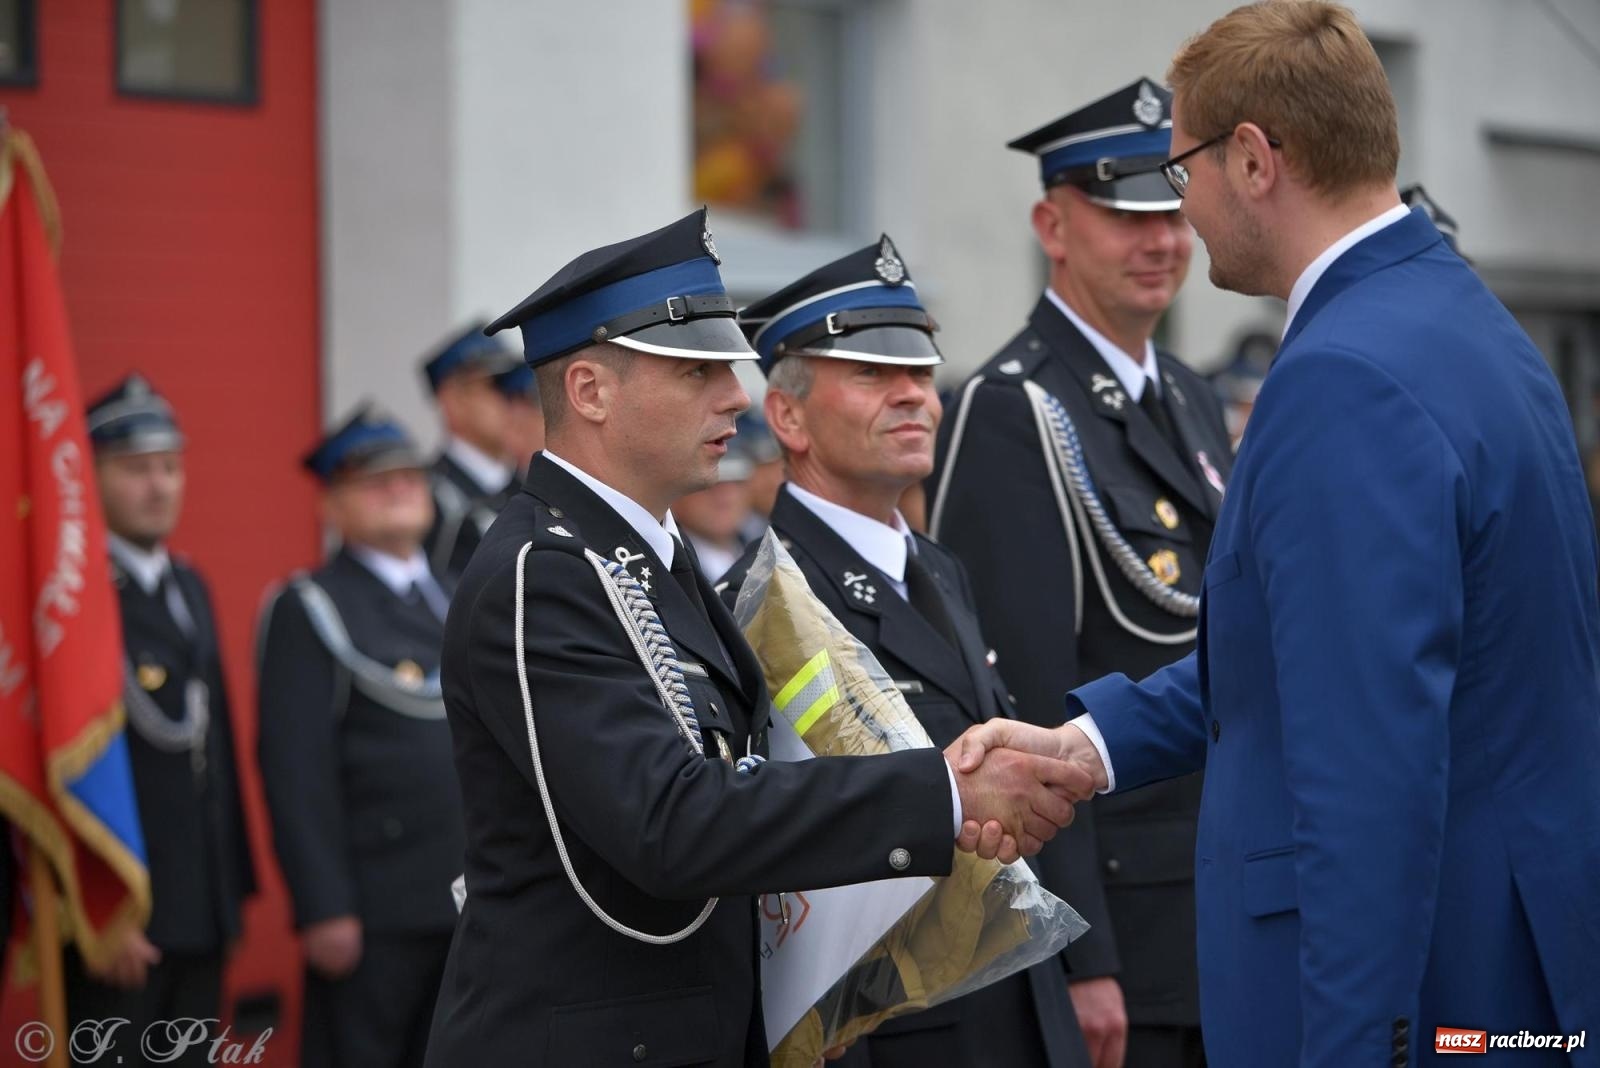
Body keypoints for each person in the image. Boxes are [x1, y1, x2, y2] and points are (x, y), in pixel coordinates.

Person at [955, 4, 1600, 1066]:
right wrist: (1091, 746)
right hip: (1501, 972)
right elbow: (1309, 658)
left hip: (1431, 992)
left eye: (1182, 170)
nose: (1179, 208)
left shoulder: (1343, 376)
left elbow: (1366, 784)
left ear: (1253, 160)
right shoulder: (1459, 321)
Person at [421, 209, 1093, 1067]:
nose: (736, 396)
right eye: (697, 369)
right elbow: (670, 822)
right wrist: (945, 794)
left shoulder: (647, 557)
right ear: (589, 391)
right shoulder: (542, 572)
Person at [722, 236, 1088, 1068]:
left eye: (921, 374)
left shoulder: (936, 567)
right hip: (894, 1028)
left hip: (1012, 999)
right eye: (872, 375)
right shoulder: (767, 599)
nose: (913, 397)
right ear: (787, 416)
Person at [929, 77, 1231, 1068]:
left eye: (1172, 214)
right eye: (1125, 217)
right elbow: (1016, 692)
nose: (1161, 241)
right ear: (1052, 226)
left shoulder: (1186, 392)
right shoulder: (1013, 407)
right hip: (1124, 926)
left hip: (1218, 895)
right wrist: (1079, 950)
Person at [257, 406, 465, 1068]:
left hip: (469, 900)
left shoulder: (458, 595)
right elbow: (296, 771)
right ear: (331, 506)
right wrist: (324, 907)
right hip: (376, 911)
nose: (399, 489)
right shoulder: (311, 605)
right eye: (376, 482)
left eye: (409, 477)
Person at [79, 374, 256, 1065]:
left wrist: (228, 895)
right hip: (127, 916)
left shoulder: (188, 583)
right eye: (135, 469)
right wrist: (98, 909)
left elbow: (216, 749)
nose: (158, 487)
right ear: (90, 475)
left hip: (200, 905)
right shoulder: (77, 598)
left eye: (169, 468)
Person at [418, 322, 524, 578]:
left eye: (517, 388)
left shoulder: (532, 486)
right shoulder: (426, 498)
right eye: (496, 386)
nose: (512, 400)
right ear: (452, 401)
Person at [675, 450, 754, 582]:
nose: (725, 496)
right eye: (707, 484)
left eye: (737, 482)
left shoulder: (762, 553)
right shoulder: (668, 565)